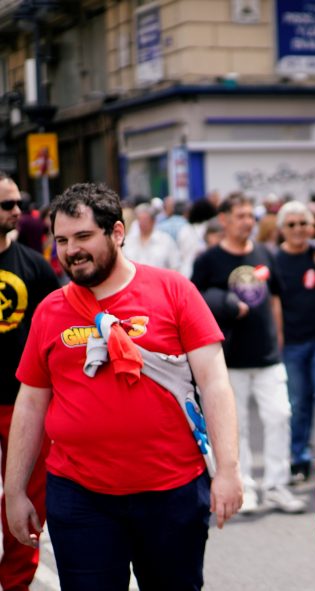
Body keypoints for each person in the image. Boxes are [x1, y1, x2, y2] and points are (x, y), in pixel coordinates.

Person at [5, 182, 241, 590]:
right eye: (61, 240)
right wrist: (15, 491)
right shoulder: (50, 310)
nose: (71, 250)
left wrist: (229, 471)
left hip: (173, 492)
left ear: (116, 233)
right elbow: (30, 403)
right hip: (79, 496)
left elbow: (215, 382)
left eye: (83, 236)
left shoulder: (174, 291)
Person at [191, 193, 306, 514]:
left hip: (267, 355)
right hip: (227, 358)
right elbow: (194, 303)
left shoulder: (264, 253)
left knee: (279, 415)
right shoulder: (208, 260)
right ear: (224, 219)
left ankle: (276, 484)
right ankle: (246, 488)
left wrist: (278, 337)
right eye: (240, 216)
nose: (247, 222)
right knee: (235, 424)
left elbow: (275, 299)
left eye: (250, 216)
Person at [0, 174, 58, 591]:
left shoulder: (35, 265)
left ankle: (16, 583)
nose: (17, 210)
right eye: (6, 204)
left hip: (21, 403)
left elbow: (54, 331)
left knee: (26, 499)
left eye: (17, 201)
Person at [273, 201, 315, 482]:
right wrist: (278, 340)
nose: (298, 229)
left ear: (312, 226)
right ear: (282, 229)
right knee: (298, 403)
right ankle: (298, 458)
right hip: (293, 343)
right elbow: (275, 302)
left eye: (303, 223)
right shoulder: (275, 259)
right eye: (291, 224)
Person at [122, 203, 180, 272]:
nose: (142, 223)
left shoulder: (165, 240)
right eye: (140, 220)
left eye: (145, 220)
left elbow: (175, 266)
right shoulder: (128, 241)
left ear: (153, 221)